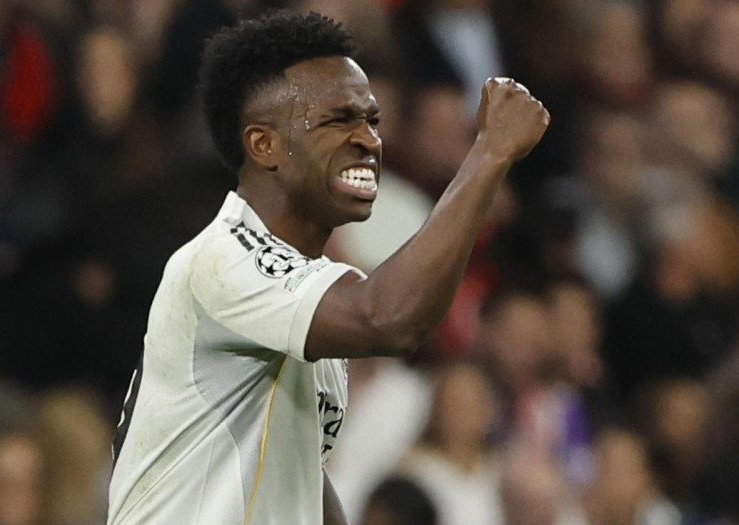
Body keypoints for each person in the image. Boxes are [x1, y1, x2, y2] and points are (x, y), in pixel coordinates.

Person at [106, 10, 549, 525]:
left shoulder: (305, 296)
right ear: (264, 145)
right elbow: (388, 318)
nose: (367, 139)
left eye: (371, 120)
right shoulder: (223, 259)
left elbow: (300, 478)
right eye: (339, 120)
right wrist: (489, 153)